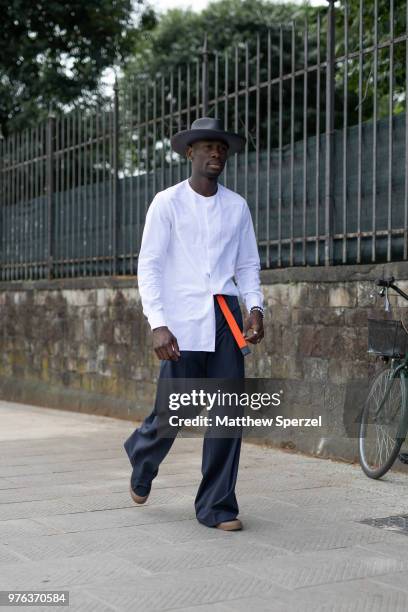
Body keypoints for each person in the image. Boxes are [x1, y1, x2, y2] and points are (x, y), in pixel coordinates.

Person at [123, 117, 264, 531]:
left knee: (228, 414)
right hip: (181, 321)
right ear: (190, 153)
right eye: (207, 147)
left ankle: (217, 506)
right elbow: (148, 266)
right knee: (173, 412)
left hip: (225, 317)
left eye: (221, 148)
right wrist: (158, 324)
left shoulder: (237, 207)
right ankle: (142, 456)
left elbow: (248, 265)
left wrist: (256, 309)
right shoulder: (166, 203)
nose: (216, 153)